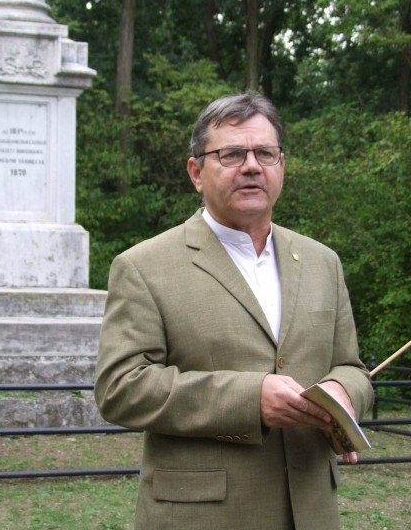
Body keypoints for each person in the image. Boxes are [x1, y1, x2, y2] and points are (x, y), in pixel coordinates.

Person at [94, 93, 374, 530]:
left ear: (282, 165)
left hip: (311, 510)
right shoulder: (144, 266)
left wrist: (344, 391)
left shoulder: (322, 262)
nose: (251, 166)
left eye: (265, 153)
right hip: (203, 516)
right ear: (196, 172)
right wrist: (250, 399)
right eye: (231, 154)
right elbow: (120, 388)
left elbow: (351, 367)